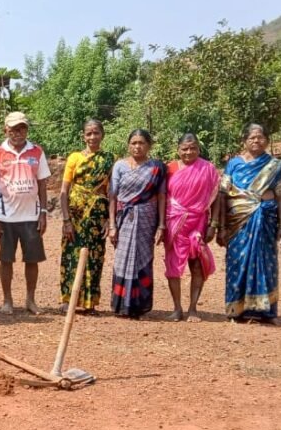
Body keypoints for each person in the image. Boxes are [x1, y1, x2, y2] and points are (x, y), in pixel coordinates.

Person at [0, 112, 51, 315]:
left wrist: (44, 212)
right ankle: (7, 301)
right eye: (13, 129)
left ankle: (30, 300)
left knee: (32, 260)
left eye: (21, 128)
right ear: (6, 130)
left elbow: (42, 184)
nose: (17, 133)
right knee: (6, 260)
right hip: (5, 217)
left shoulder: (37, 152)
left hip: (31, 216)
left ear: (27, 130)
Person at [221, 123, 281, 323]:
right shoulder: (233, 164)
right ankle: (236, 310)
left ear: (267, 140)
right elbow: (222, 195)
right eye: (252, 137)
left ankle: (264, 312)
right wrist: (220, 225)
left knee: (265, 262)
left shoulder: (274, 165)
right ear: (244, 141)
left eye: (260, 137)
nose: (256, 141)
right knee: (237, 262)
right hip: (237, 221)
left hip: (266, 218)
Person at [108, 129, 167, 318]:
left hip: (146, 219)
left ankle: (140, 305)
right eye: (133, 143)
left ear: (149, 145)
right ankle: (121, 304)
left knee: (143, 259)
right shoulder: (120, 166)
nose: (137, 146)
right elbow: (113, 196)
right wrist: (111, 225)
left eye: (141, 143)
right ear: (128, 145)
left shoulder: (156, 168)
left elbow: (161, 196)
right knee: (122, 259)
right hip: (124, 219)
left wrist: (161, 225)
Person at [163, 134, 219, 322]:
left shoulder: (208, 169)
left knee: (197, 265)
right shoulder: (169, 169)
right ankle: (177, 308)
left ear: (199, 149)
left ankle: (193, 308)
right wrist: (160, 226)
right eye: (184, 148)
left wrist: (213, 225)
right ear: (178, 150)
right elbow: (162, 198)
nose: (189, 152)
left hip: (198, 223)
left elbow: (216, 197)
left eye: (193, 148)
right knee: (173, 266)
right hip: (174, 224)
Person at [59, 119, 113, 314]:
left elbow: (110, 193)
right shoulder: (74, 158)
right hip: (75, 213)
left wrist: (109, 220)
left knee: (94, 257)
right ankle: (67, 299)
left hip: (97, 215)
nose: (92, 137)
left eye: (96, 133)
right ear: (83, 136)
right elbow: (64, 191)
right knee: (70, 254)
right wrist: (66, 220)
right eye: (88, 133)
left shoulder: (109, 159)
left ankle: (90, 302)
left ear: (102, 135)